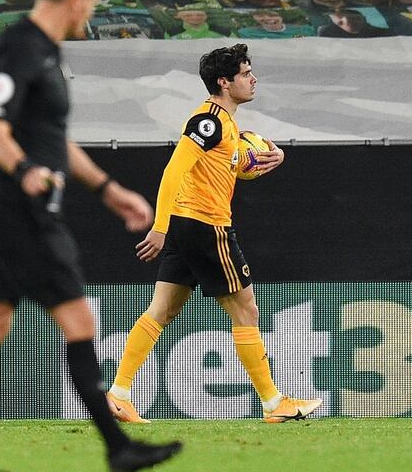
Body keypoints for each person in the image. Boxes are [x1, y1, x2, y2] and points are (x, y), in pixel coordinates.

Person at [0, 0, 182, 472]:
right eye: (92, 4)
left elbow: (55, 141)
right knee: (78, 320)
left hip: (20, 209)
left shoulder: (46, 51)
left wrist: (109, 189)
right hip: (22, 212)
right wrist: (25, 170)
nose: (91, 14)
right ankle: (118, 448)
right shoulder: (19, 47)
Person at [106, 43, 323, 425]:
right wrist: (159, 227)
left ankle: (118, 395)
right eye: (245, 73)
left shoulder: (226, 124)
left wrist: (277, 156)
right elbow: (174, 169)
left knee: (162, 310)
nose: (253, 79)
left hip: (187, 224)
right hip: (205, 225)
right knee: (246, 310)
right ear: (224, 82)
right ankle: (274, 403)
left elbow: (232, 163)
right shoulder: (209, 121)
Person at [237, 10, 316, 38]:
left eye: (273, 15)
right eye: (260, 16)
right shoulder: (245, 33)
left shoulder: (306, 30)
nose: (267, 18)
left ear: (282, 16)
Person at [318, 8, 390, 37]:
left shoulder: (383, 34)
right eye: (340, 23)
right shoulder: (328, 35)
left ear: (364, 18)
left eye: (353, 18)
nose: (348, 23)